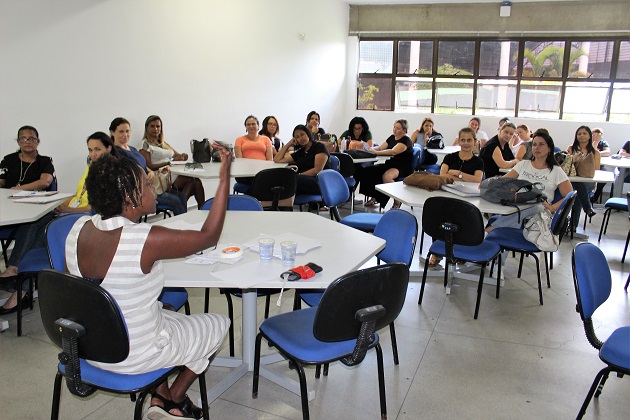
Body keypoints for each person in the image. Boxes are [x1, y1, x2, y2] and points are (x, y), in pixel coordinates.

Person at [65, 146, 232, 419]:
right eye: (146, 182)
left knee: (162, 310)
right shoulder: (143, 239)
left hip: (90, 348)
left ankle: (160, 395)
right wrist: (224, 177)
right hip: (133, 355)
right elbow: (208, 236)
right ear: (129, 196)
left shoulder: (77, 229)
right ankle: (174, 399)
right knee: (218, 323)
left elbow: (82, 296)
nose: (154, 183)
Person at [0, 126, 55, 314]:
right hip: (8, 211)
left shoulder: (44, 161)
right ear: (18, 142)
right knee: (37, 227)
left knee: (36, 222)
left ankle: (14, 269)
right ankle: (19, 279)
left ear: (37, 141)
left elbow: (45, 182)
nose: (27, 142)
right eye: (23, 139)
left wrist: (19, 189)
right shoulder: (8, 160)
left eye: (31, 139)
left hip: (34, 210)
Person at [486, 130, 573, 233]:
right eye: (534, 144)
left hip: (539, 211)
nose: (537, 147)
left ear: (549, 149)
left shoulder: (556, 171)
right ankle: (502, 227)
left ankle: (492, 229)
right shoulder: (524, 164)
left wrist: (552, 207)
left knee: (537, 206)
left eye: (541, 144)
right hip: (518, 204)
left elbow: (569, 196)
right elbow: (504, 180)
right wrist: (488, 183)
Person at [429, 127, 484, 268]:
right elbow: (442, 175)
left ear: (475, 142)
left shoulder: (478, 162)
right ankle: (438, 252)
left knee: (463, 221)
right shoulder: (450, 157)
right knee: (439, 218)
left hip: (467, 198)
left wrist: (457, 174)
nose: (466, 143)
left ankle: (460, 251)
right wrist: (465, 177)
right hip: (447, 195)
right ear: (458, 141)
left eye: (469, 140)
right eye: (463, 140)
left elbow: (477, 180)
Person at [110, 117, 187, 216]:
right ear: (112, 132)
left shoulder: (132, 149)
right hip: (140, 193)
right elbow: (128, 176)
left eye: (127, 131)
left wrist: (150, 171)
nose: (125, 134)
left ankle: (183, 225)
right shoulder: (116, 153)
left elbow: (144, 165)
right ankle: (180, 227)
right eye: (121, 131)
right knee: (176, 201)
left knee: (182, 196)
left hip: (152, 186)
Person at [140, 115, 205, 209]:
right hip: (160, 177)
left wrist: (183, 156)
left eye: (158, 126)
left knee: (195, 182)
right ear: (146, 128)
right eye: (152, 126)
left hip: (172, 173)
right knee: (194, 180)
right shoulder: (145, 144)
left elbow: (178, 156)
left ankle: (197, 210)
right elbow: (148, 165)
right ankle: (184, 209)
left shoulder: (163, 143)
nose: (155, 129)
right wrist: (168, 163)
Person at [54, 132, 118, 215]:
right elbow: (79, 195)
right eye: (90, 150)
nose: (93, 154)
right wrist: (60, 205)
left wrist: (69, 210)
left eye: (97, 149)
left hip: (87, 215)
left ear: (109, 148)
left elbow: (98, 208)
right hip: (73, 209)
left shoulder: (112, 172)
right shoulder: (91, 166)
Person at [360, 119, 413, 210]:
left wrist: (375, 153)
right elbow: (380, 147)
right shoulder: (392, 137)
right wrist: (371, 149)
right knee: (369, 170)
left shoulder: (406, 141)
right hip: (390, 163)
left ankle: (397, 200)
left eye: (398, 128)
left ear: (404, 130)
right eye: (394, 127)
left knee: (387, 176)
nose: (395, 130)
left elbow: (393, 152)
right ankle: (376, 196)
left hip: (402, 166)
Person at [273, 124, 330, 196]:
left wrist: (298, 175)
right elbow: (277, 159)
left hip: (321, 182)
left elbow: (317, 170)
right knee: (283, 178)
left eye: (302, 134)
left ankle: (282, 204)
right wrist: (289, 143)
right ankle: (283, 205)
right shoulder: (300, 152)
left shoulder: (319, 147)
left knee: (292, 180)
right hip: (304, 181)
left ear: (307, 133)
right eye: (297, 137)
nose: (301, 138)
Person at [568, 126, 600, 229]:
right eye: (579, 133)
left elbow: (597, 170)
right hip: (572, 181)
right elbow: (566, 164)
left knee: (578, 192)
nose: (581, 136)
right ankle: (587, 208)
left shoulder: (595, 153)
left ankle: (572, 226)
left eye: (584, 133)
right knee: (578, 188)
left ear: (589, 136)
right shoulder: (571, 149)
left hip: (588, 182)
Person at [590, 127, 611, 203]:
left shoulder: (603, 142)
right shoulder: (587, 142)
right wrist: (595, 143)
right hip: (589, 165)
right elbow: (591, 153)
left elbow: (607, 152)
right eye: (594, 135)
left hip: (600, 165)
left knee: (604, 178)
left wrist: (597, 154)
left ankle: (595, 197)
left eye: (597, 135)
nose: (595, 136)